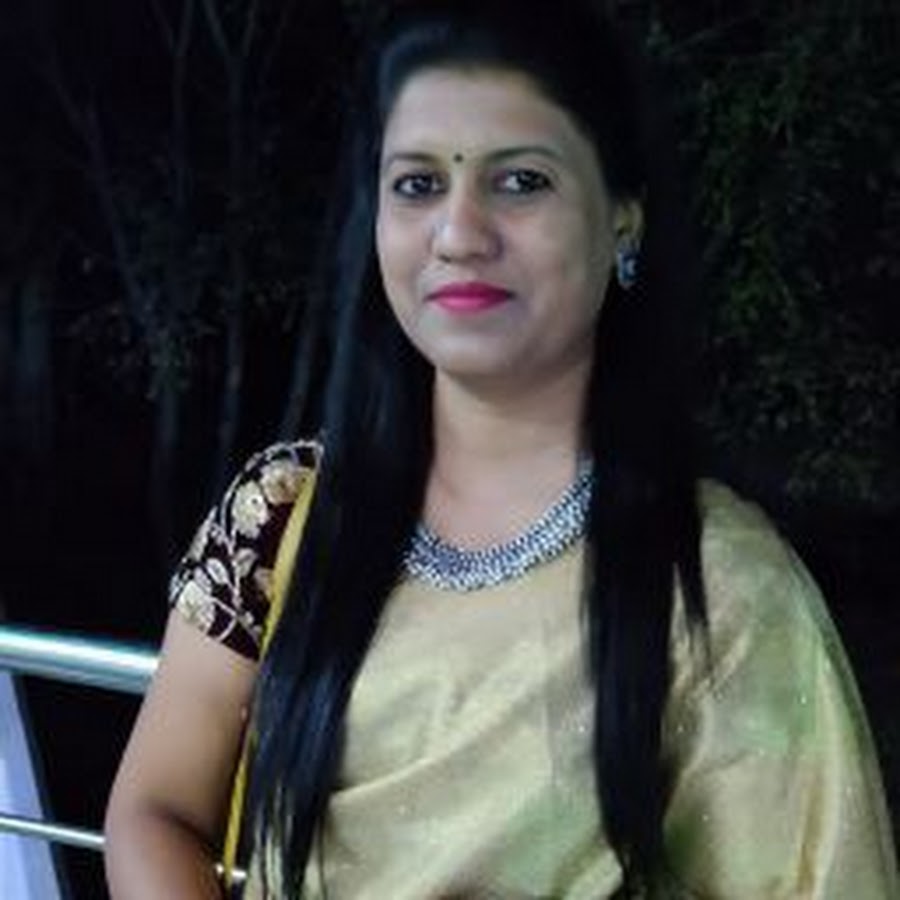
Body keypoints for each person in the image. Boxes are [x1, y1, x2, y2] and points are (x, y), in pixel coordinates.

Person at [103, 1, 899, 897]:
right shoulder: (285, 516)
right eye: (417, 184)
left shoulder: (723, 586)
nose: (459, 234)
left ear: (623, 221)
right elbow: (154, 809)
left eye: (520, 181)